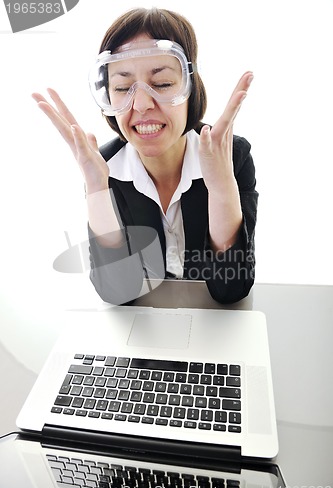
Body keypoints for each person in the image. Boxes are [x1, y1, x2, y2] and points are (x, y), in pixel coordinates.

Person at [32, 7, 258, 305]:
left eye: (162, 83)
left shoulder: (232, 156)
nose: (140, 104)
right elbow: (118, 294)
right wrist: (98, 190)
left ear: (191, 87)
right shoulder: (104, 168)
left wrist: (221, 190)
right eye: (123, 87)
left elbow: (231, 290)